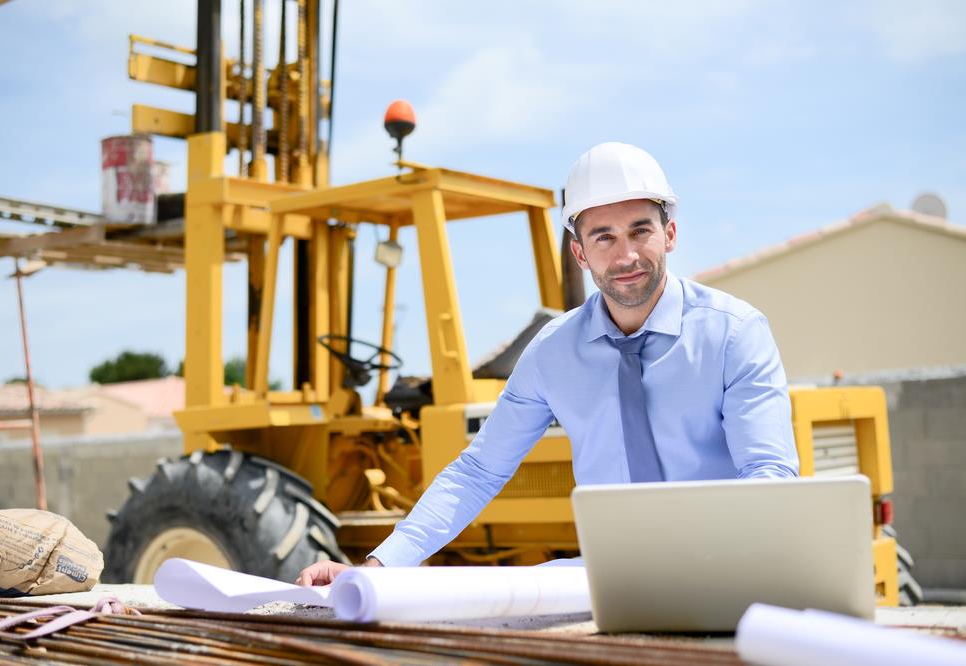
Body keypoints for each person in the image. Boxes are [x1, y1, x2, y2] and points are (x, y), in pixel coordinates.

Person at [298, 142, 799, 585]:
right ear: (580, 254)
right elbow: (478, 471)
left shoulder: (734, 333)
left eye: (639, 231)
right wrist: (377, 570)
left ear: (670, 233)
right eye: (604, 237)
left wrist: (717, 564)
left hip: (725, 566)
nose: (625, 255)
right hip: (611, 572)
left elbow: (769, 472)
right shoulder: (554, 352)